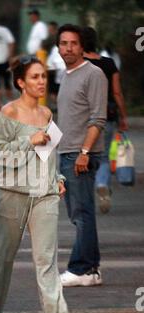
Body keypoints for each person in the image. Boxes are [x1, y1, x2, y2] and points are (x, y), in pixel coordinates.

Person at [0, 55, 77, 313]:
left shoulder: (47, 115)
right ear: (21, 82)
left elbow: (47, 154)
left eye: (43, 76)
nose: (41, 81)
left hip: (44, 196)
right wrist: (27, 140)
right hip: (12, 195)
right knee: (3, 260)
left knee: (46, 260)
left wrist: (57, 179)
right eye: (34, 77)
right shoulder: (7, 114)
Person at [56, 24, 108, 287]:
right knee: (81, 213)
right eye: (63, 43)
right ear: (58, 47)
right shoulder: (66, 75)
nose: (68, 48)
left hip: (80, 154)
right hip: (67, 152)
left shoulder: (93, 74)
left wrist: (84, 153)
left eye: (73, 43)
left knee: (81, 214)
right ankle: (91, 270)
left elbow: (98, 118)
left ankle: (81, 268)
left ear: (81, 46)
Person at [83, 27, 128, 213]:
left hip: (83, 116)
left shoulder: (80, 64)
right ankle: (102, 183)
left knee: (82, 154)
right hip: (107, 115)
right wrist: (123, 116)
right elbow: (117, 92)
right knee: (103, 155)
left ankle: (86, 193)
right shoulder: (109, 64)